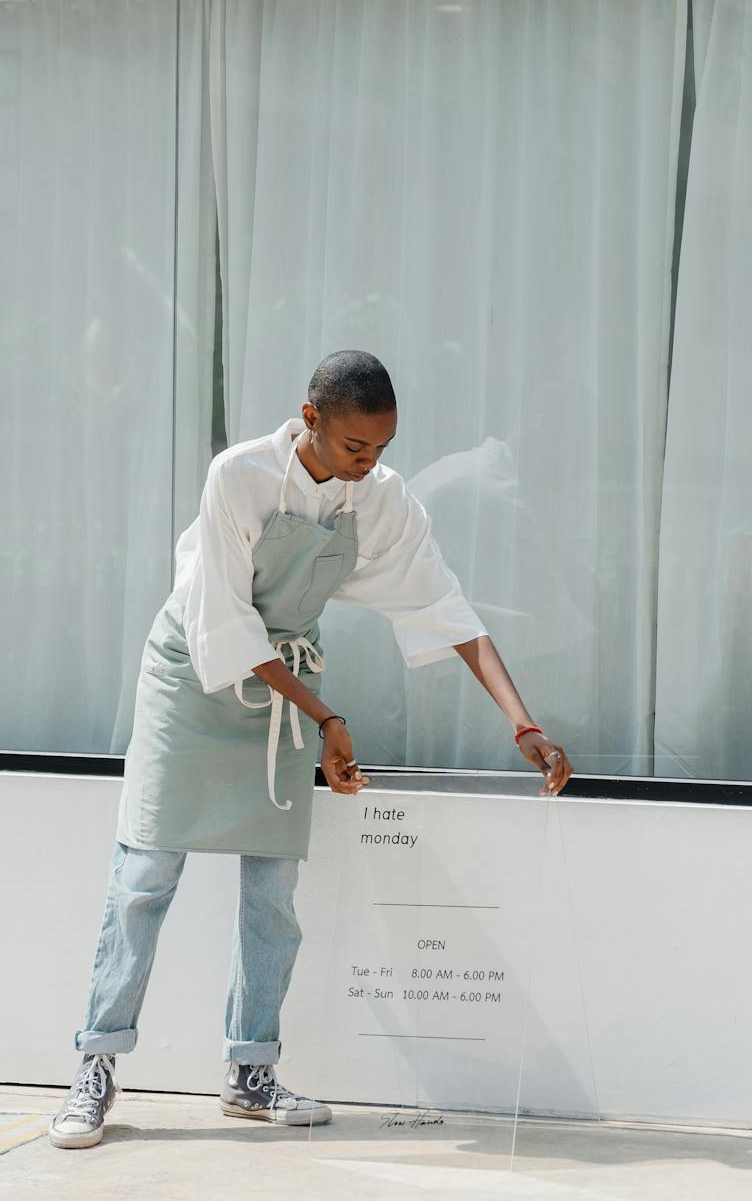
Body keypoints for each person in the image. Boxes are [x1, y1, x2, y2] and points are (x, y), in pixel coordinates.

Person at [48, 350, 573, 1150]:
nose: (370, 465)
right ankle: (96, 1064)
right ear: (312, 417)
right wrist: (327, 719)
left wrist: (522, 723)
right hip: (193, 679)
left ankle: (250, 1072)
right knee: (143, 878)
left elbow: (448, 608)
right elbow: (223, 625)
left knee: (272, 895)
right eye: (356, 447)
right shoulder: (239, 476)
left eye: (383, 449)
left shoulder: (383, 500)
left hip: (288, 689)